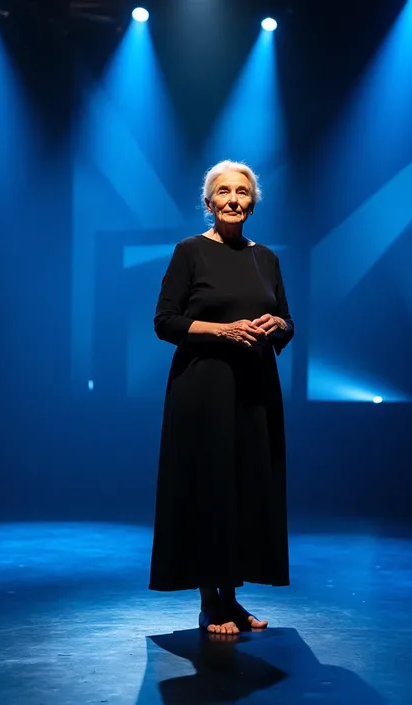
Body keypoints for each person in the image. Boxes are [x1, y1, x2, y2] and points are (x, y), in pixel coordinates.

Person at [149, 159, 294, 635]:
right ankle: (211, 601)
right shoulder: (190, 251)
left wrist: (278, 326)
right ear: (208, 202)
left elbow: (287, 321)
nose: (234, 200)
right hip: (203, 388)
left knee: (247, 486)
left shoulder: (266, 257)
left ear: (253, 203)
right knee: (210, 486)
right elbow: (165, 321)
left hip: (255, 388)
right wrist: (223, 331)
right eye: (224, 192)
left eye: (243, 193)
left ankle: (232, 598)